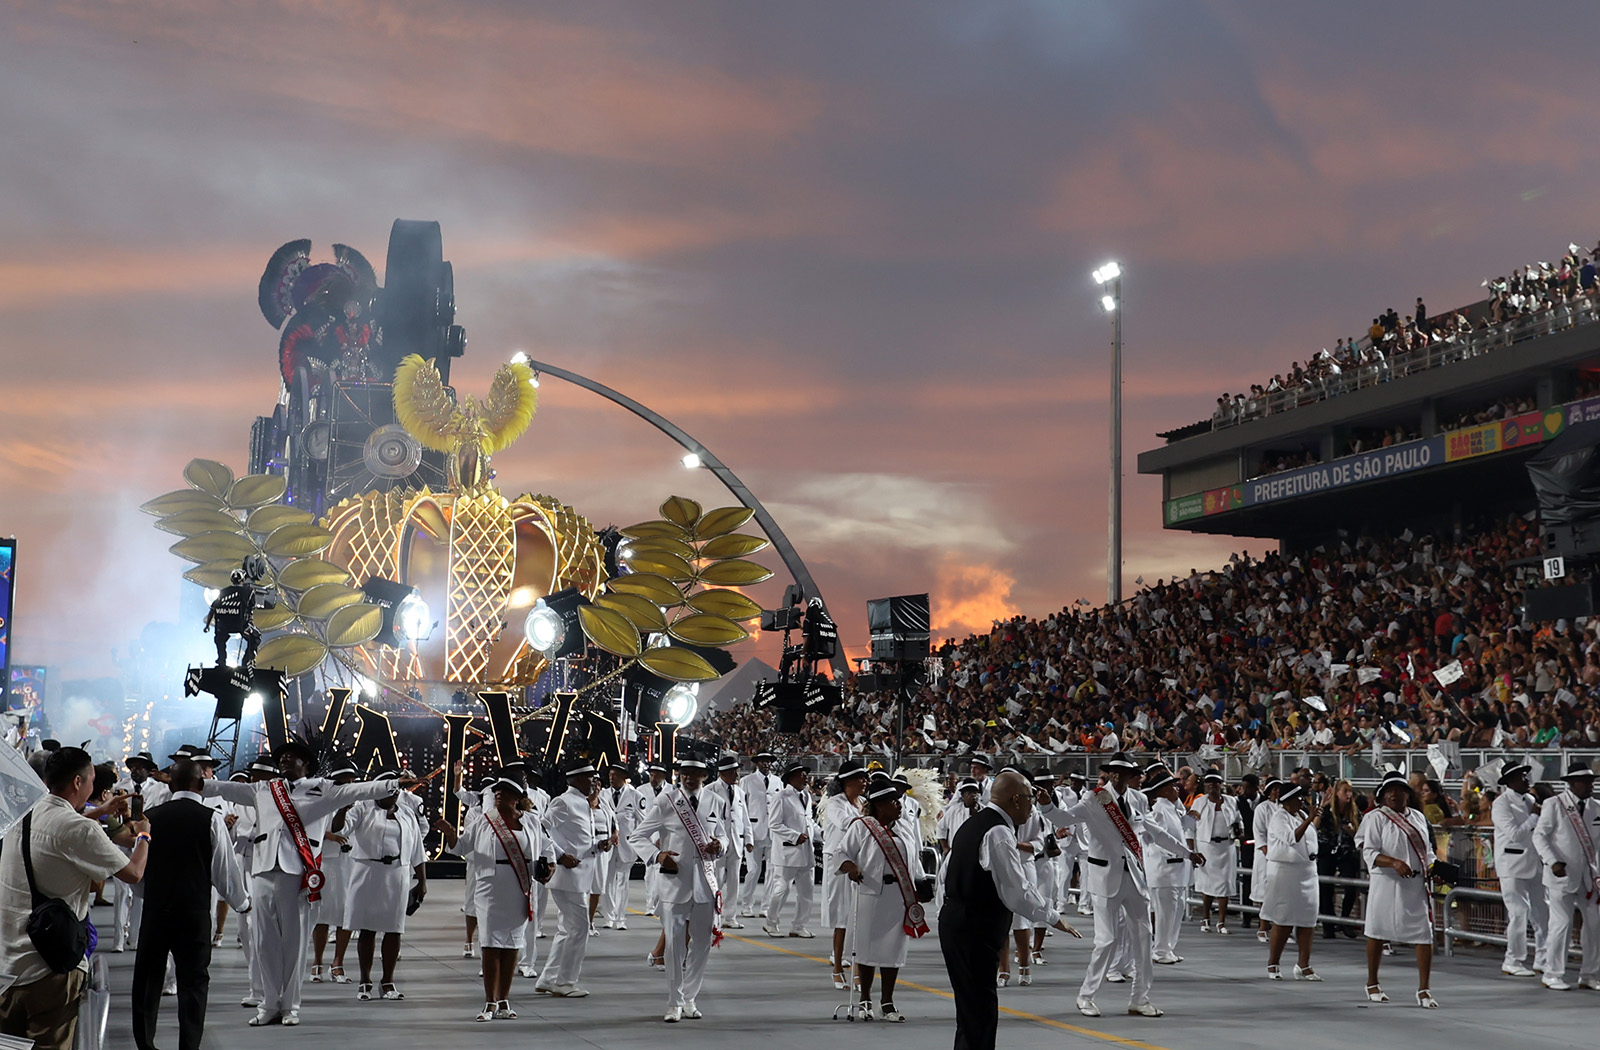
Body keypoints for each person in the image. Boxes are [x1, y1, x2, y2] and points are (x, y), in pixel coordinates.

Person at [202, 737, 393, 1026]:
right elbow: (228, 788)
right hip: (263, 870)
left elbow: (357, 790)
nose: (284, 760)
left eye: (292, 756)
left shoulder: (323, 789)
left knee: (295, 942)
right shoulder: (264, 788)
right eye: (282, 757)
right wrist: (194, 783)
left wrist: (389, 785)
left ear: (307, 763)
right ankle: (268, 1004)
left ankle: (290, 1006)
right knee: (263, 941)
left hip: (298, 875)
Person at [0, 747, 150, 1050]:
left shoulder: (23, 814)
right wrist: (144, 835)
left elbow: (62, 826)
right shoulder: (80, 828)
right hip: (48, 971)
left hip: (6, 965)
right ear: (79, 782)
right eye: (93, 780)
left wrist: (102, 811)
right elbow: (133, 872)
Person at [1042, 753, 1201, 1018]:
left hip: (1135, 877)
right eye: (1114, 772)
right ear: (1110, 774)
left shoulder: (1138, 799)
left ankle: (1140, 998)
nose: (1118, 776)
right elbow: (1064, 818)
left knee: (1143, 939)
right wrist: (1047, 807)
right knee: (1107, 940)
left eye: (1124, 772)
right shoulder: (1094, 798)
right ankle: (1086, 996)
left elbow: (1154, 832)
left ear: (1131, 776)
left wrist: (1186, 852)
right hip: (1105, 877)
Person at [939, 769, 1079, 1050]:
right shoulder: (999, 832)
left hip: (957, 923)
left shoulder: (975, 822)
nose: (1033, 805)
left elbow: (944, 875)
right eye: (1030, 798)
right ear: (1015, 799)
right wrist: (1053, 918)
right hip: (973, 929)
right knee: (980, 1010)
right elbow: (1017, 892)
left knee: (970, 1010)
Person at [131, 759, 251, 1050]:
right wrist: (242, 903)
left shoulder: (150, 817)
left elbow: (138, 872)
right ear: (202, 785)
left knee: (148, 979)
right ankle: (189, 1046)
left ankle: (146, 1044)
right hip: (194, 911)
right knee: (193, 983)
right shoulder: (210, 818)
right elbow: (224, 871)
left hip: (157, 910)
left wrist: (151, 894)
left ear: (170, 784)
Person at [440, 775, 553, 1022]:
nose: (499, 794)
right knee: (490, 943)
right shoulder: (484, 821)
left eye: (505, 791)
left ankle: (504, 1000)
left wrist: (550, 866)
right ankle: (489, 1001)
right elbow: (460, 847)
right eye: (497, 791)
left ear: (518, 798)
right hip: (489, 887)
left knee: (512, 945)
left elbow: (547, 847)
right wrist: (449, 833)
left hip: (519, 886)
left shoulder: (532, 822)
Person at [630, 756, 729, 1022]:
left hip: (705, 883)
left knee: (703, 944)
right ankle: (673, 1002)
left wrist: (720, 846)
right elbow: (637, 836)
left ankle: (689, 997)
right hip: (675, 882)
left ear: (704, 776)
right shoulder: (666, 800)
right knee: (674, 946)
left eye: (694, 773)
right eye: (684, 773)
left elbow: (723, 834)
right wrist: (658, 855)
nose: (688, 777)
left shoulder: (715, 802)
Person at [838, 784, 928, 1021]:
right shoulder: (861, 826)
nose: (899, 805)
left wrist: (920, 883)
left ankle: (887, 1002)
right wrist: (851, 867)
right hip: (870, 893)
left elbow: (913, 857)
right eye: (894, 802)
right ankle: (865, 998)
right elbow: (842, 853)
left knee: (893, 949)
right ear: (879, 805)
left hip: (899, 895)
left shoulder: (905, 827)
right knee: (866, 948)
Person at [339, 770, 427, 1001]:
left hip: (397, 872)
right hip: (367, 871)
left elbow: (417, 848)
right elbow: (341, 829)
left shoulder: (407, 813)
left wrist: (422, 881)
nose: (394, 794)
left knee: (394, 929)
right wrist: (341, 805)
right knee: (367, 928)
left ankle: (387, 981)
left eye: (397, 790)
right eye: (390, 789)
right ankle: (365, 980)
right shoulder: (362, 808)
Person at [1355, 770, 1438, 1007]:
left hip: (1415, 883)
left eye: (1399, 790)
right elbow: (1369, 851)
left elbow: (1427, 850)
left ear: (1408, 795)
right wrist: (1394, 862)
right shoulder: (1375, 818)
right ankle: (1372, 982)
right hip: (1387, 882)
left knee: (1424, 933)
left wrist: (1433, 866)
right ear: (1382, 795)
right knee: (1378, 931)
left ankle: (1424, 989)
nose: (1394, 794)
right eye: (1389, 790)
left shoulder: (1419, 818)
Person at [538, 761, 609, 997]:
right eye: (590, 777)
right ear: (575, 779)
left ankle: (548, 978)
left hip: (580, 876)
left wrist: (598, 846)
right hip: (567, 877)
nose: (594, 782)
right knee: (580, 928)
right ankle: (565, 981)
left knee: (567, 929)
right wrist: (559, 856)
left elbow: (579, 841)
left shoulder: (584, 804)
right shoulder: (564, 802)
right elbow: (540, 829)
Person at [1533, 760, 1600, 991]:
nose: (1591, 785)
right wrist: (1552, 861)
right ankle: (1552, 973)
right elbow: (1539, 836)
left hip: (1590, 877)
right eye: (1586, 781)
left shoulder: (1597, 807)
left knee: (1594, 925)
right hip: (1561, 875)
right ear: (1572, 783)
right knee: (1561, 924)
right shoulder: (1554, 804)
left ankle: (1589, 974)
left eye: (1592, 780)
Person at [1491, 762, 1547, 977]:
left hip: (1535, 863)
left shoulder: (1531, 800)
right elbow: (1515, 834)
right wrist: (1534, 817)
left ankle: (1543, 958)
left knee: (1542, 914)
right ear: (1511, 781)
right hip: (1512, 866)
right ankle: (1513, 960)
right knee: (1518, 913)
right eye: (1522, 776)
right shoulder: (1501, 804)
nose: (1527, 779)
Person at [1261, 783, 1321, 981]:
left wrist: (1311, 817)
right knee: (1283, 918)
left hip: (1307, 871)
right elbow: (1291, 838)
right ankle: (1273, 962)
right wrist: (1311, 818)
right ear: (1287, 800)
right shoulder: (1279, 817)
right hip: (1286, 871)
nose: (1302, 801)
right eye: (1298, 798)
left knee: (1308, 919)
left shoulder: (1301, 815)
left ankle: (1304, 964)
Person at [310, 757, 360, 985]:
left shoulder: (359, 803)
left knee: (345, 916)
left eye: (351, 780)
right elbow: (306, 829)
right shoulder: (321, 800)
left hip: (350, 863)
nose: (348, 784)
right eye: (343, 780)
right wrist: (327, 835)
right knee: (322, 916)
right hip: (326, 863)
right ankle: (317, 962)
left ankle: (337, 963)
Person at [822, 761, 870, 989]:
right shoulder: (835, 803)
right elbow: (845, 822)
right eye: (860, 778)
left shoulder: (862, 803)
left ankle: (858, 970)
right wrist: (870, 820)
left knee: (859, 916)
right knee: (842, 917)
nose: (864, 782)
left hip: (860, 861)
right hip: (839, 864)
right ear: (846, 781)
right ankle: (837, 969)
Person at [1141, 770, 1192, 965]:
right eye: (1172, 786)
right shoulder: (1159, 810)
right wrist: (1172, 855)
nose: (1176, 789)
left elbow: (1176, 833)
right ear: (1163, 790)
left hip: (1177, 870)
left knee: (1176, 910)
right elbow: (1154, 838)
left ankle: (1168, 948)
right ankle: (1160, 950)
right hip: (1165, 870)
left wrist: (1190, 819)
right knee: (1165, 913)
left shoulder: (1171, 808)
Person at [763, 762, 818, 938]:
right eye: (802, 774)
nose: (806, 777)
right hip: (788, 851)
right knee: (782, 889)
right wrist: (794, 836)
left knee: (807, 891)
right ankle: (771, 922)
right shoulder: (781, 797)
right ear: (791, 777)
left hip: (806, 852)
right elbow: (774, 824)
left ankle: (799, 925)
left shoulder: (806, 796)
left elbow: (809, 822)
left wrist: (822, 834)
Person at [707, 756, 752, 931]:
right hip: (717, 841)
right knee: (716, 880)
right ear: (724, 773)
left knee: (734, 881)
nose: (737, 774)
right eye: (734, 771)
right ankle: (712, 916)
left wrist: (749, 838)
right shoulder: (710, 790)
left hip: (736, 841)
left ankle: (730, 916)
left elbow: (744, 817)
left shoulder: (739, 792)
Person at [1191, 772, 1238, 934]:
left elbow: (1238, 820)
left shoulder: (1231, 801)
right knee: (1207, 884)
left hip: (1226, 846)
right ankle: (1205, 918)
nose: (1212, 785)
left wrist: (1240, 831)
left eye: (1216, 782)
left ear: (1221, 784)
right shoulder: (1199, 802)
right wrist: (1192, 851)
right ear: (1204, 785)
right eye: (1209, 782)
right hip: (1206, 847)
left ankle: (1222, 922)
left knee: (1224, 884)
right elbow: (1190, 828)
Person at [1317, 779, 1363, 939]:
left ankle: (1344, 921)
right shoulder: (1328, 810)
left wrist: (1352, 832)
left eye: (1350, 791)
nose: (1348, 795)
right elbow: (1315, 826)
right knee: (1325, 888)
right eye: (1345, 791)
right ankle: (1328, 925)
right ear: (1337, 793)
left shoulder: (1355, 812)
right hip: (1326, 851)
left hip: (1346, 852)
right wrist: (1321, 807)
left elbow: (1362, 835)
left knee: (1351, 886)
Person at [600, 764, 642, 930]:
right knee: (607, 881)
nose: (611, 778)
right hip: (608, 843)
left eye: (615, 775)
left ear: (624, 777)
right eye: (610, 775)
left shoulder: (635, 795)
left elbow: (642, 821)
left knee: (622, 882)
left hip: (626, 843)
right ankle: (609, 917)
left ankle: (620, 918)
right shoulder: (602, 794)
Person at [738, 752, 779, 917]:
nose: (766, 764)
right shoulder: (746, 781)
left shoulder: (778, 782)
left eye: (768, 762)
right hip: (753, 830)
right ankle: (747, 905)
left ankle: (766, 906)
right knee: (753, 870)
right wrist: (744, 832)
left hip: (773, 831)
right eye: (762, 762)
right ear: (756, 763)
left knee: (772, 870)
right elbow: (741, 807)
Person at [1250, 778, 1283, 943]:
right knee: (1265, 892)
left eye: (1279, 789)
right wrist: (1269, 853)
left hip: (1282, 856)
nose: (1277, 792)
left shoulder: (1285, 808)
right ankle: (1262, 928)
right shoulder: (1262, 808)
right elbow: (1259, 834)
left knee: (1280, 893)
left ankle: (1279, 927)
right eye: (1274, 789)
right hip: (1266, 856)